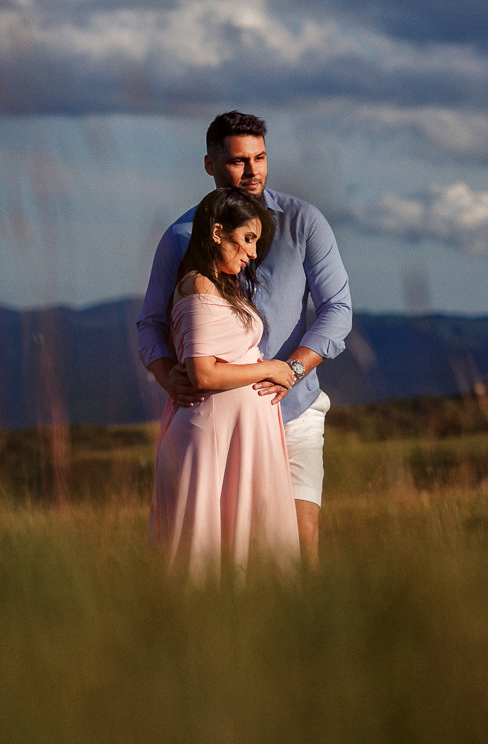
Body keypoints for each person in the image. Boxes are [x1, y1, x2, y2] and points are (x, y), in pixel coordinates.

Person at [137, 111, 352, 569]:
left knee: (296, 547)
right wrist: (166, 376)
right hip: (211, 420)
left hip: (293, 413)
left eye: (260, 158)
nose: (252, 171)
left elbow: (337, 310)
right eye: (238, 161)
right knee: (214, 554)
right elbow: (150, 324)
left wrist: (292, 370)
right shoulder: (179, 236)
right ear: (211, 165)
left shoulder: (303, 222)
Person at [148, 187, 300, 579]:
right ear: (217, 232)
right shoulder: (198, 285)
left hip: (238, 435)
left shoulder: (222, 286)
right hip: (212, 435)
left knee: (243, 548)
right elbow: (204, 373)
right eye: (247, 239)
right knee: (205, 551)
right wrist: (270, 369)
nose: (252, 252)